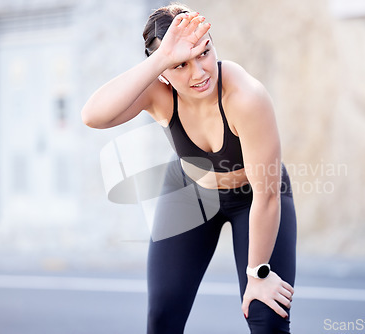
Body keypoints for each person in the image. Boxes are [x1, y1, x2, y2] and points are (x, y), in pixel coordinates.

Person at [81, 3, 297, 333]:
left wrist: (258, 274)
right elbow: (93, 116)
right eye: (181, 64)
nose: (199, 72)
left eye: (204, 52)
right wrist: (159, 61)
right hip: (190, 192)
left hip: (257, 198)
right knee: (162, 316)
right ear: (163, 71)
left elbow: (267, 197)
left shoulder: (245, 96)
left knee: (266, 316)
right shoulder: (158, 94)